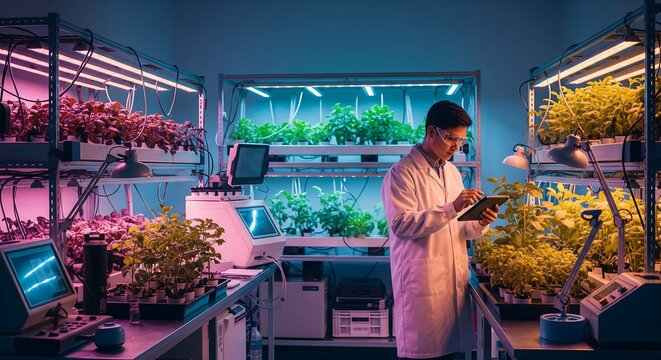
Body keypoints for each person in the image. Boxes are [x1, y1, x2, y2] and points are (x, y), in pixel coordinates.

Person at [382, 100, 498, 360]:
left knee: (453, 354)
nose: (456, 147)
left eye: (461, 141)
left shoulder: (453, 172)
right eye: (451, 139)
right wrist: (452, 206)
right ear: (431, 131)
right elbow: (401, 225)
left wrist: (479, 222)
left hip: (452, 285)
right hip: (422, 285)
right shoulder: (401, 173)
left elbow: (457, 227)